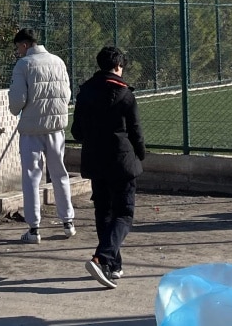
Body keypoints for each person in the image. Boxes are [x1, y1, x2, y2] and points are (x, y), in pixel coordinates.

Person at [71, 46, 145, 289]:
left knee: (104, 212)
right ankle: (101, 257)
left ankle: (113, 265)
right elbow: (135, 131)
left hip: (95, 159)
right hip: (122, 161)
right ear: (117, 67)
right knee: (124, 214)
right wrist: (140, 154)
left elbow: (77, 131)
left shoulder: (85, 92)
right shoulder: (125, 94)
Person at [8, 28, 75, 243]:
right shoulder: (58, 61)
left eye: (18, 47)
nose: (18, 52)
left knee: (31, 177)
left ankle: (34, 228)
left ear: (25, 45)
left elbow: (17, 99)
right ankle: (68, 222)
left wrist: (15, 108)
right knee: (60, 174)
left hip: (31, 129)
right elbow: (66, 93)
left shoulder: (24, 65)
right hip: (56, 127)